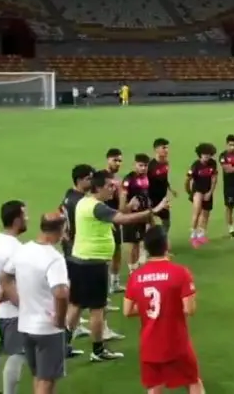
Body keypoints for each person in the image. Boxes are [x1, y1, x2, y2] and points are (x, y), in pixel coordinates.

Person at [67, 169, 169, 363]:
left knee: (77, 304)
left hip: (80, 260)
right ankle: (98, 350)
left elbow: (118, 214)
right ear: (98, 187)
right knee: (98, 308)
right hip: (94, 263)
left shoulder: (84, 202)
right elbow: (123, 219)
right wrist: (153, 211)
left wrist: (128, 206)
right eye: (109, 186)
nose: (113, 189)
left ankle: (63, 345)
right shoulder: (97, 207)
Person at [124, 227, 204, 393]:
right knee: (193, 381)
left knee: (154, 387)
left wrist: (149, 306)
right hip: (176, 343)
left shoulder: (136, 276)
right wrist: (169, 304)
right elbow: (189, 309)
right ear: (167, 244)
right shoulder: (180, 272)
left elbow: (127, 311)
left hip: (149, 345)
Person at [0, 213, 70, 394]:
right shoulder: (54, 258)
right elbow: (61, 294)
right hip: (48, 329)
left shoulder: (23, 250)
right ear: (60, 230)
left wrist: (19, 301)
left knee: (39, 376)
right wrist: (60, 320)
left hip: (26, 325)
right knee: (47, 381)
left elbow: (5, 277)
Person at [0, 200, 28, 394]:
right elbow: (8, 280)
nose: (28, 219)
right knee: (18, 354)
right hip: (12, 310)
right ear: (17, 220)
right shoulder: (16, 248)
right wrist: (4, 298)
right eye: (25, 215)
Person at [60, 164, 95, 348]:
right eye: (89, 178)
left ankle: (73, 327)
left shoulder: (68, 196)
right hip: (77, 253)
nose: (92, 181)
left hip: (69, 250)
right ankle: (65, 339)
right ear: (80, 180)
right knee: (78, 297)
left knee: (76, 294)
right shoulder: (80, 202)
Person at [120, 153, 153, 270]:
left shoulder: (147, 178)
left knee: (140, 242)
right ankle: (132, 269)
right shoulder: (129, 180)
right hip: (132, 217)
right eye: (140, 165)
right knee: (133, 244)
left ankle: (137, 266)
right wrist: (128, 207)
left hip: (143, 215)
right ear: (135, 165)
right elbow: (122, 202)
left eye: (145, 166)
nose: (143, 168)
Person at [185, 143, 218, 248]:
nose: (207, 156)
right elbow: (187, 180)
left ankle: (201, 234)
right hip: (197, 191)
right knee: (197, 212)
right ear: (200, 154)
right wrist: (190, 192)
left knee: (206, 213)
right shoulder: (195, 165)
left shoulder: (213, 163)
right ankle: (193, 235)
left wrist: (210, 192)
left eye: (209, 154)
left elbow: (214, 178)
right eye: (204, 154)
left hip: (207, 191)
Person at [148, 138, 177, 246]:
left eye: (167, 148)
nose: (166, 150)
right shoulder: (150, 166)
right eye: (163, 148)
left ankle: (160, 244)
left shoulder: (165, 163)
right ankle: (148, 247)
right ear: (156, 149)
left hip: (162, 199)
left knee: (166, 222)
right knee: (149, 224)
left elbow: (164, 179)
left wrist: (170, 189)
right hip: (151, 199)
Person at [105, 148, 125, 295]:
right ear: (108, 160)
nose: (117, 163)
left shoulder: (118, 180)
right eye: (115, 160)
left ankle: (115, 282)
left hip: (115, 218)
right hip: (103, 219)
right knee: (104, 252)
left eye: (119, 161)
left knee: (117, 250)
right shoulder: (101, 177)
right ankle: (104, 283)